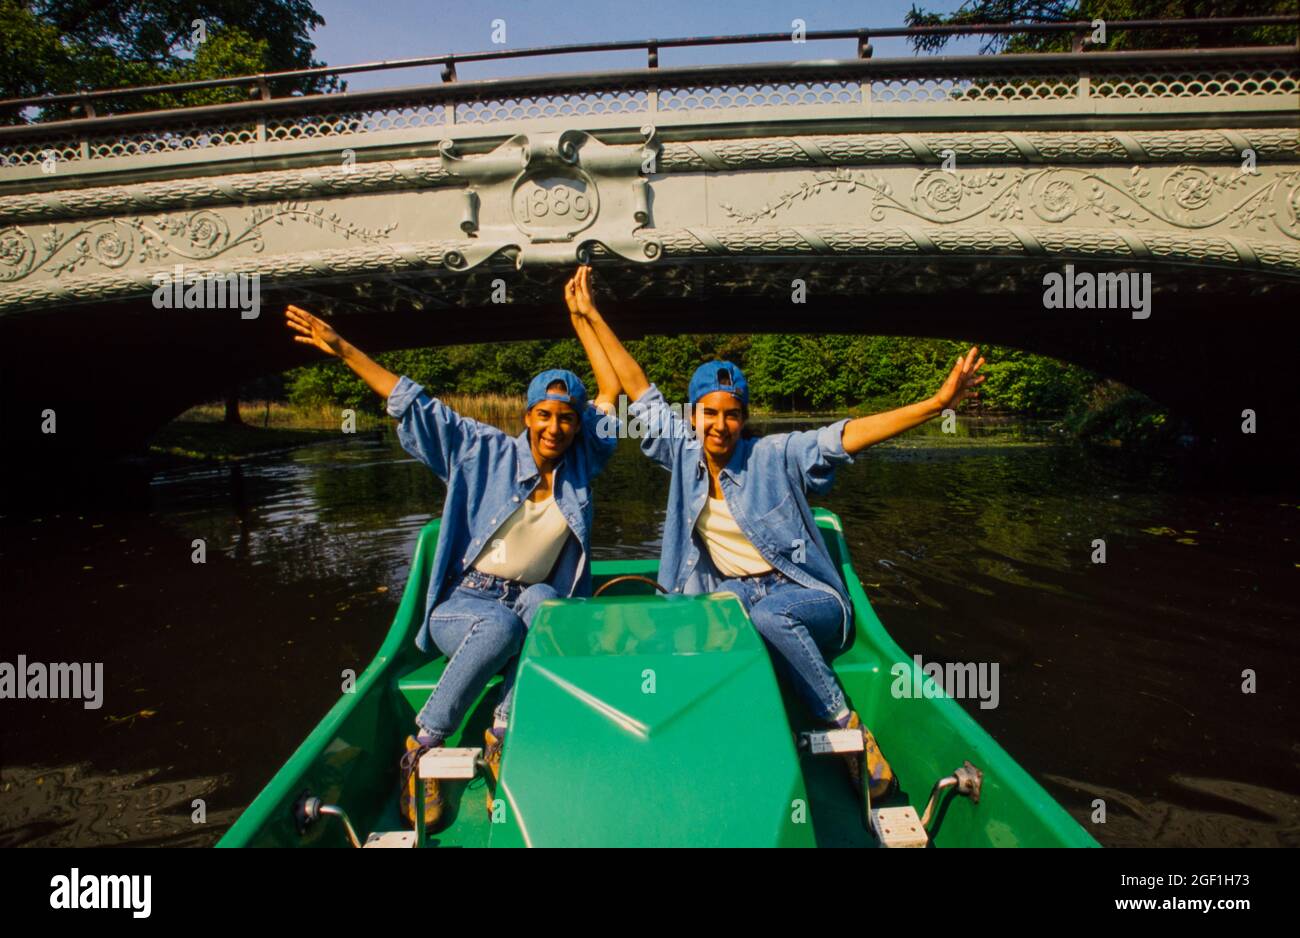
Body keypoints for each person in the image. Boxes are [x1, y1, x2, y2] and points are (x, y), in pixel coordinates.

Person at [565, 265, 985, 800]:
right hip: (738, 592)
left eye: (732, 414)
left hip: (807, 597)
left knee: (766, 612)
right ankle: (722, 746)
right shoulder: (683, 453)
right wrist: (591, 316)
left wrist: (936, 404)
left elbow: (848, 436)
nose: (720, 425)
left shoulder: (774, 455)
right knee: (703, 618)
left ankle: (846, 728)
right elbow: (637, 387)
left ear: (744, 418)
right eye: (709, 413)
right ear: (692, 415)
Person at [284, 272, 620, 829]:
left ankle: (502, 734)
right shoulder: (481, 450)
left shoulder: (584, 465)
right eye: (544, 415)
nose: (554, 427)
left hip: (527, 598)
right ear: (527, 416)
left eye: (566, 418)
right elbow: (412, 402)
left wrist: (582, 316)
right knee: (500, 629)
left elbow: (609, 391)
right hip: (467, 604)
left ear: (575, 426)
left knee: (548, 605)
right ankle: (421, 748)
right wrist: (343, 349)